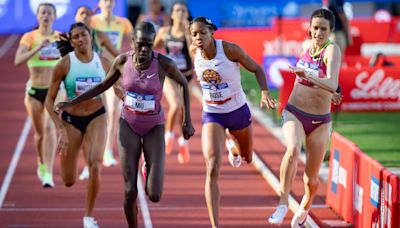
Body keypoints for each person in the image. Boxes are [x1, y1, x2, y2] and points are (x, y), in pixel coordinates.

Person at [56, 22, 195, 228]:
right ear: (132, 43)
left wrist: (187, 121)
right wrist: (71, 102)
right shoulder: (122, 61)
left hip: (154, 125)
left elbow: (183, 83)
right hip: (128, 124)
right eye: (140, 44)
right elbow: (103, 85)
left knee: (154, 195)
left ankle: (148, 165)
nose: (144, 49)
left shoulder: (164, 63)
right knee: (130, 190)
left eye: (149, 45)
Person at [189, 17, 278, 228]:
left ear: (212, 32)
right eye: (194, 34)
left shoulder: (229, 50)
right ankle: (214, 224)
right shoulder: (194, 52)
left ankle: (234, 149)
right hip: (213, 113)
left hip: (237, 111)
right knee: (212, 166)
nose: (198, 38)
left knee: (247, 157)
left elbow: (257, 68)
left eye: (202, 33)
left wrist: (265, 93)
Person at [267, 9, 341, 228]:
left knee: (311, 179)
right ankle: (282, 204)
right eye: (315, 28)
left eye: (323, 29)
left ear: (330, 31)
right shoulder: (305, 47)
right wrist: (304, 76)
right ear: (309, 27)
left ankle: (305, 206)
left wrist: (308, 75)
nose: (318, 33)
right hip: (295, 111)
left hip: (320, 121)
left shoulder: (332, 50)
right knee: (291, 150)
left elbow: (331, 83)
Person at [44, 22, 107, 228]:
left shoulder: (104, 62)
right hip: (71, 121)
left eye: (84, 35)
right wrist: (60, 128)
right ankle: (79, 147)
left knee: (96, 165)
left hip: (97, 116)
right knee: (68, 179)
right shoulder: (64, 64)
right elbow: (48, 101)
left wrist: (122, 92)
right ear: (71, 42)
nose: (81, 39)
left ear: (91, 36)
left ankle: (88, 217)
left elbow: (119, 83)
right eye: (76, 37)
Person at [14, 3, 61, 188]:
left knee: (50, 128)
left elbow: (69, 60)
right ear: (38, 16)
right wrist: (38, 48)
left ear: (55, 16)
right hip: (34, 90)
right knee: (40, 133)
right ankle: (41, 162)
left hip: (53, 91)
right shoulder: (30, 37)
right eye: (43, 12)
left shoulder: (60, 37)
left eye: (49, 12)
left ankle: (48, 172)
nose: (46, 15)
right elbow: (18, 60)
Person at [75, 4, 121, 180]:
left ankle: (106, 151)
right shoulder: (69, 39)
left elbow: (116, 53)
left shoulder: (98, 34)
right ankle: (88, 162)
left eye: (88, 14)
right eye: (81, 13)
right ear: (76, 17)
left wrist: (130, 63)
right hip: (79, 87)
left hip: (101, 81)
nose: (85, 16)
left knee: (113, 108)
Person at [90, 0, 134, 167]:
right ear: (100, 4)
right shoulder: (93, 21)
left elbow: (133, 43)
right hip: (94, 70)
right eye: (105, 0)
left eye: (111, 0)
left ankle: (108, 151)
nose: (108, 3)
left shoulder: (123, 22)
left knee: (114, 108)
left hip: (112, 69)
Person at [154, 2, 192, 163]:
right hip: (170, 75)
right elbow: (153, 49)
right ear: (172, 14)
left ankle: (183, 143)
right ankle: (168, 136)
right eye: (177, 10)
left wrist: (189, 35)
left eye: (183, 10)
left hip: (186, 76)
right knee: (175, 105)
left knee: (184, 112)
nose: (181, 13)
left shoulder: (191, 32)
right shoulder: (164, 32)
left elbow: (193, 52)